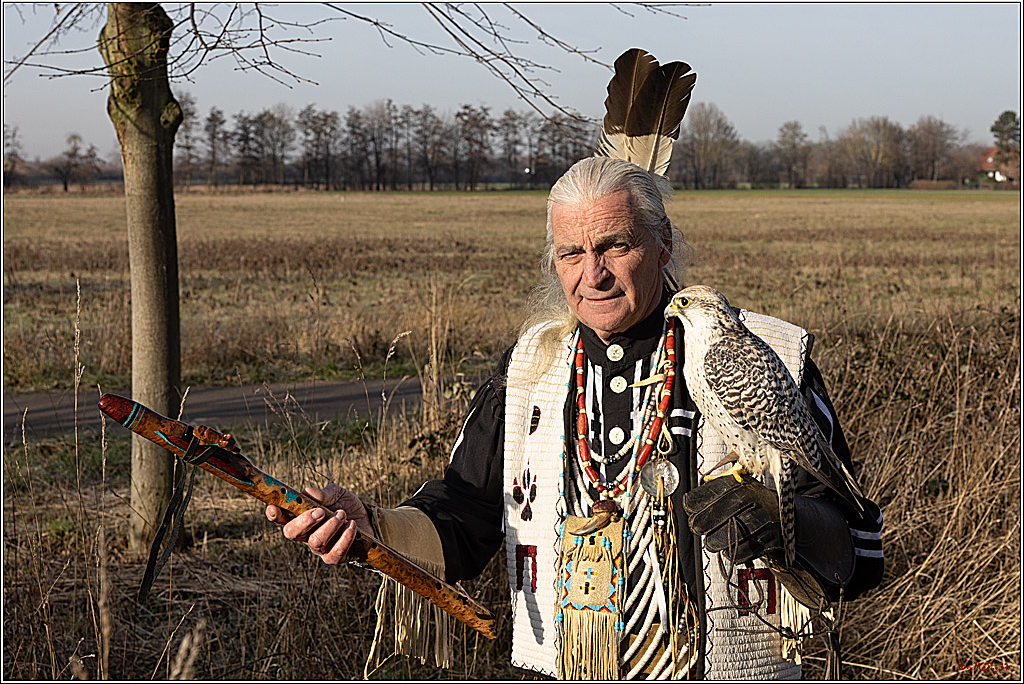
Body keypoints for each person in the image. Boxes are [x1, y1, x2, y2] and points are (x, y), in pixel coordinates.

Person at [266, 157, 884, 680]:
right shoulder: (530, 370)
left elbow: (858, 551)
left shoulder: (764, 355)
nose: (594, 274)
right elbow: (465, 518)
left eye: (616, 245)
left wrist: (782, 520)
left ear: (663, 242)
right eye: (572, 252)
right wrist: (367, 525)